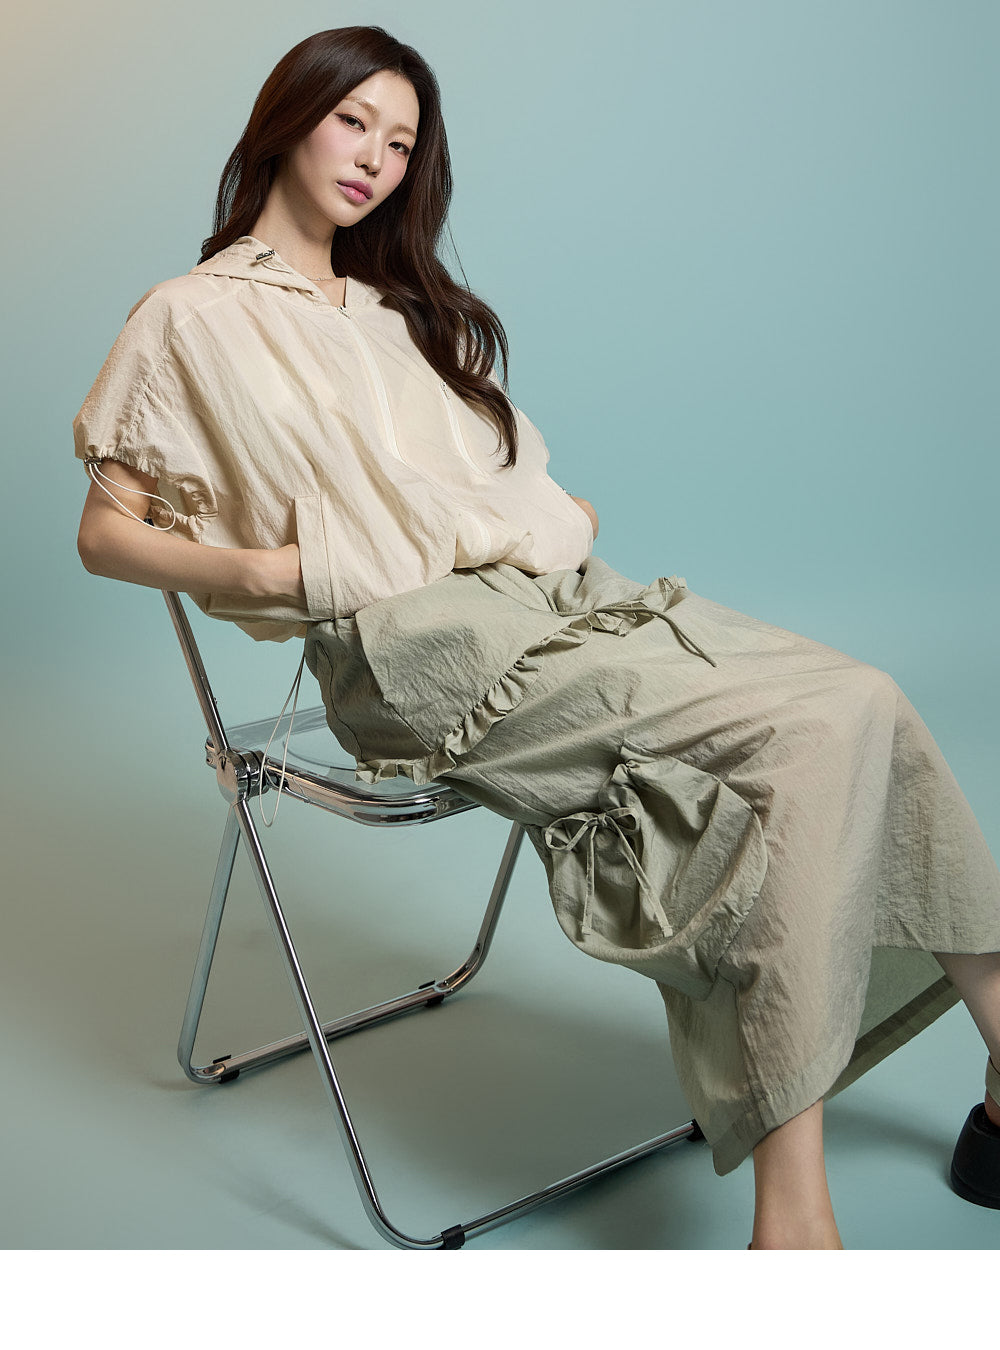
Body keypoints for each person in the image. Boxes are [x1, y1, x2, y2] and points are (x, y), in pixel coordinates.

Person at [73, 25, 1000, 1250]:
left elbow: (487, 489)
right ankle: (794, 1223)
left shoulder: (402, 319)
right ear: (290, 120)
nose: (375, 158)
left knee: (863, 694)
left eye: (401, 142)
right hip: (418, 657)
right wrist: (258, 571)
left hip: (558, 600)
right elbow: (104, 533)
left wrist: (538, 516)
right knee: (805, 742)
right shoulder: (189, 318)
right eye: (353, 122)